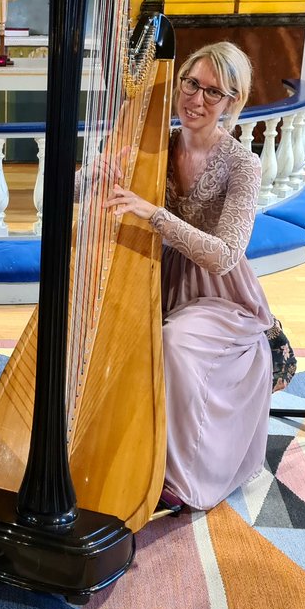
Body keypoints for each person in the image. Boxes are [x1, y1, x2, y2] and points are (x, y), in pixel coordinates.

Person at [108, 42, 274, 511]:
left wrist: (156, 215)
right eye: (191, 83)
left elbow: (223, 256)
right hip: (156, 275)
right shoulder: (155, 141)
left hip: (218, 294)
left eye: (213, 93)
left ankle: (178, 481)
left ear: (231, 102)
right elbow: (85, 189)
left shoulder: (244, 163)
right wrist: (94, 173)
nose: (196, 100)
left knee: (174, 343)